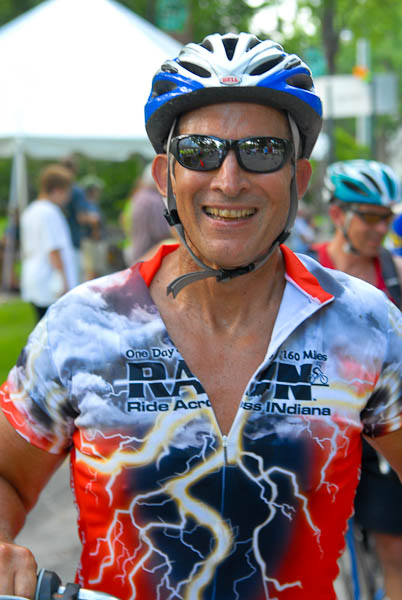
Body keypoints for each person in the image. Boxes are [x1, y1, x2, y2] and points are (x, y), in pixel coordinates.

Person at [0, 32, 402, 600]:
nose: (228, 180)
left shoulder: (364, 325)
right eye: (199, 152)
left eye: (262, 150)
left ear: (299, 179)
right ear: (164, 176)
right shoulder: (82, 326)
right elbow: (8, 476)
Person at [311, 159, 402, 600]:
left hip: (382, 423)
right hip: (320, 427)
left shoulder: (394, 272)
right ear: (337, 214)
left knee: (396, 550)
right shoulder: (304, 270)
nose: (380, 228)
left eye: (386, 217)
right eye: (369, 217)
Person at [19, 164, 78, 322]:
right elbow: (53, 249)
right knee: (54, 328)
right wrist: (63, 281)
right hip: (49, 281)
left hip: (34, 277)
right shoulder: (50, 212)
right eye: (67, 192)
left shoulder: (31, 210)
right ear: (57, 190)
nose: (68, 197)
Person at [123, 163, 175, 266]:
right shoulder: (154, 200)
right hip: (149, 256)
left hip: (135, 252)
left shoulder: (137, 197)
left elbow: (124, 221)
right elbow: (161, 232)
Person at [61, 156, 101, 281]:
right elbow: (81, 217)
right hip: (74, 240)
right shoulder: (76, 191)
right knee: (77, 276)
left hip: (59, 241)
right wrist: (94, 220)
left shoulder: (58, 189)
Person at [79, 175, 109, 281]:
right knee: (92, 271)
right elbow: (94, 220)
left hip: (93, 241)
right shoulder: (89, 203)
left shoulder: (89, 203)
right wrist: (96, 233)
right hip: (93, 241)